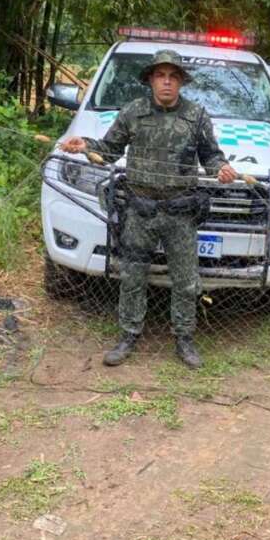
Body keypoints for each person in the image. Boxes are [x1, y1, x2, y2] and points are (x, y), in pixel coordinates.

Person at [60, 49, 238, 369]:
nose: (167, 82)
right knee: (132, 277)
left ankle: (184, 338)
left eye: (173, 76)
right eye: (160, 75)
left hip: (180, 212)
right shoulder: (133, 112)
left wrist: (221, 168)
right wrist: (85, 145)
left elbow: (211, 156)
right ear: (151, 80)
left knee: (185, 281)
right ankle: (129, 334)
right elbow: (109, 150)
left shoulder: (196, 115)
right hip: (140, 210)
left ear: (181, 81)